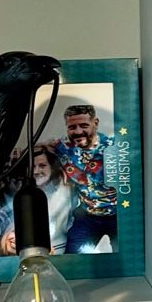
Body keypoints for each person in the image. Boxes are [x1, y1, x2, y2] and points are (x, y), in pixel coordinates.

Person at [55, 101, 116, 252]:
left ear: (95, 123)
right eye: (72, 127)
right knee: (72, 257)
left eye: (84, 125)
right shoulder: (62, 148)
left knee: (130, 257)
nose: (77, 131)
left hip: (118, 215)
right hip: (87, 216)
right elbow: (40, 150)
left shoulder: (114, 147)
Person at [30, 143, 74, 251]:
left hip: (56, 248)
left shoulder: (64, 192)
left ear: (52, 166)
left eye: (42, 165)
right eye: (32, 166)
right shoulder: (24, 191)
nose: (36, 171)